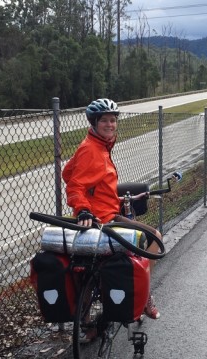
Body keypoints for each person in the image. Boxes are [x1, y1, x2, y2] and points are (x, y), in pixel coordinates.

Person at [62, 98, 162, 321]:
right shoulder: (92, 150)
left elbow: (68, 173)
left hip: (101, 211)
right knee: (155, 237)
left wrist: (103, 196)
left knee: (92, 267)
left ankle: (86, 325)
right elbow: (75, 185)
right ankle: (144, 296)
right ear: (94, 123)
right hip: (104, 218)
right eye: (104, 121)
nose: (110, 125)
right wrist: (84, 209)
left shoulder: (95, 145)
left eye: (113, 120)